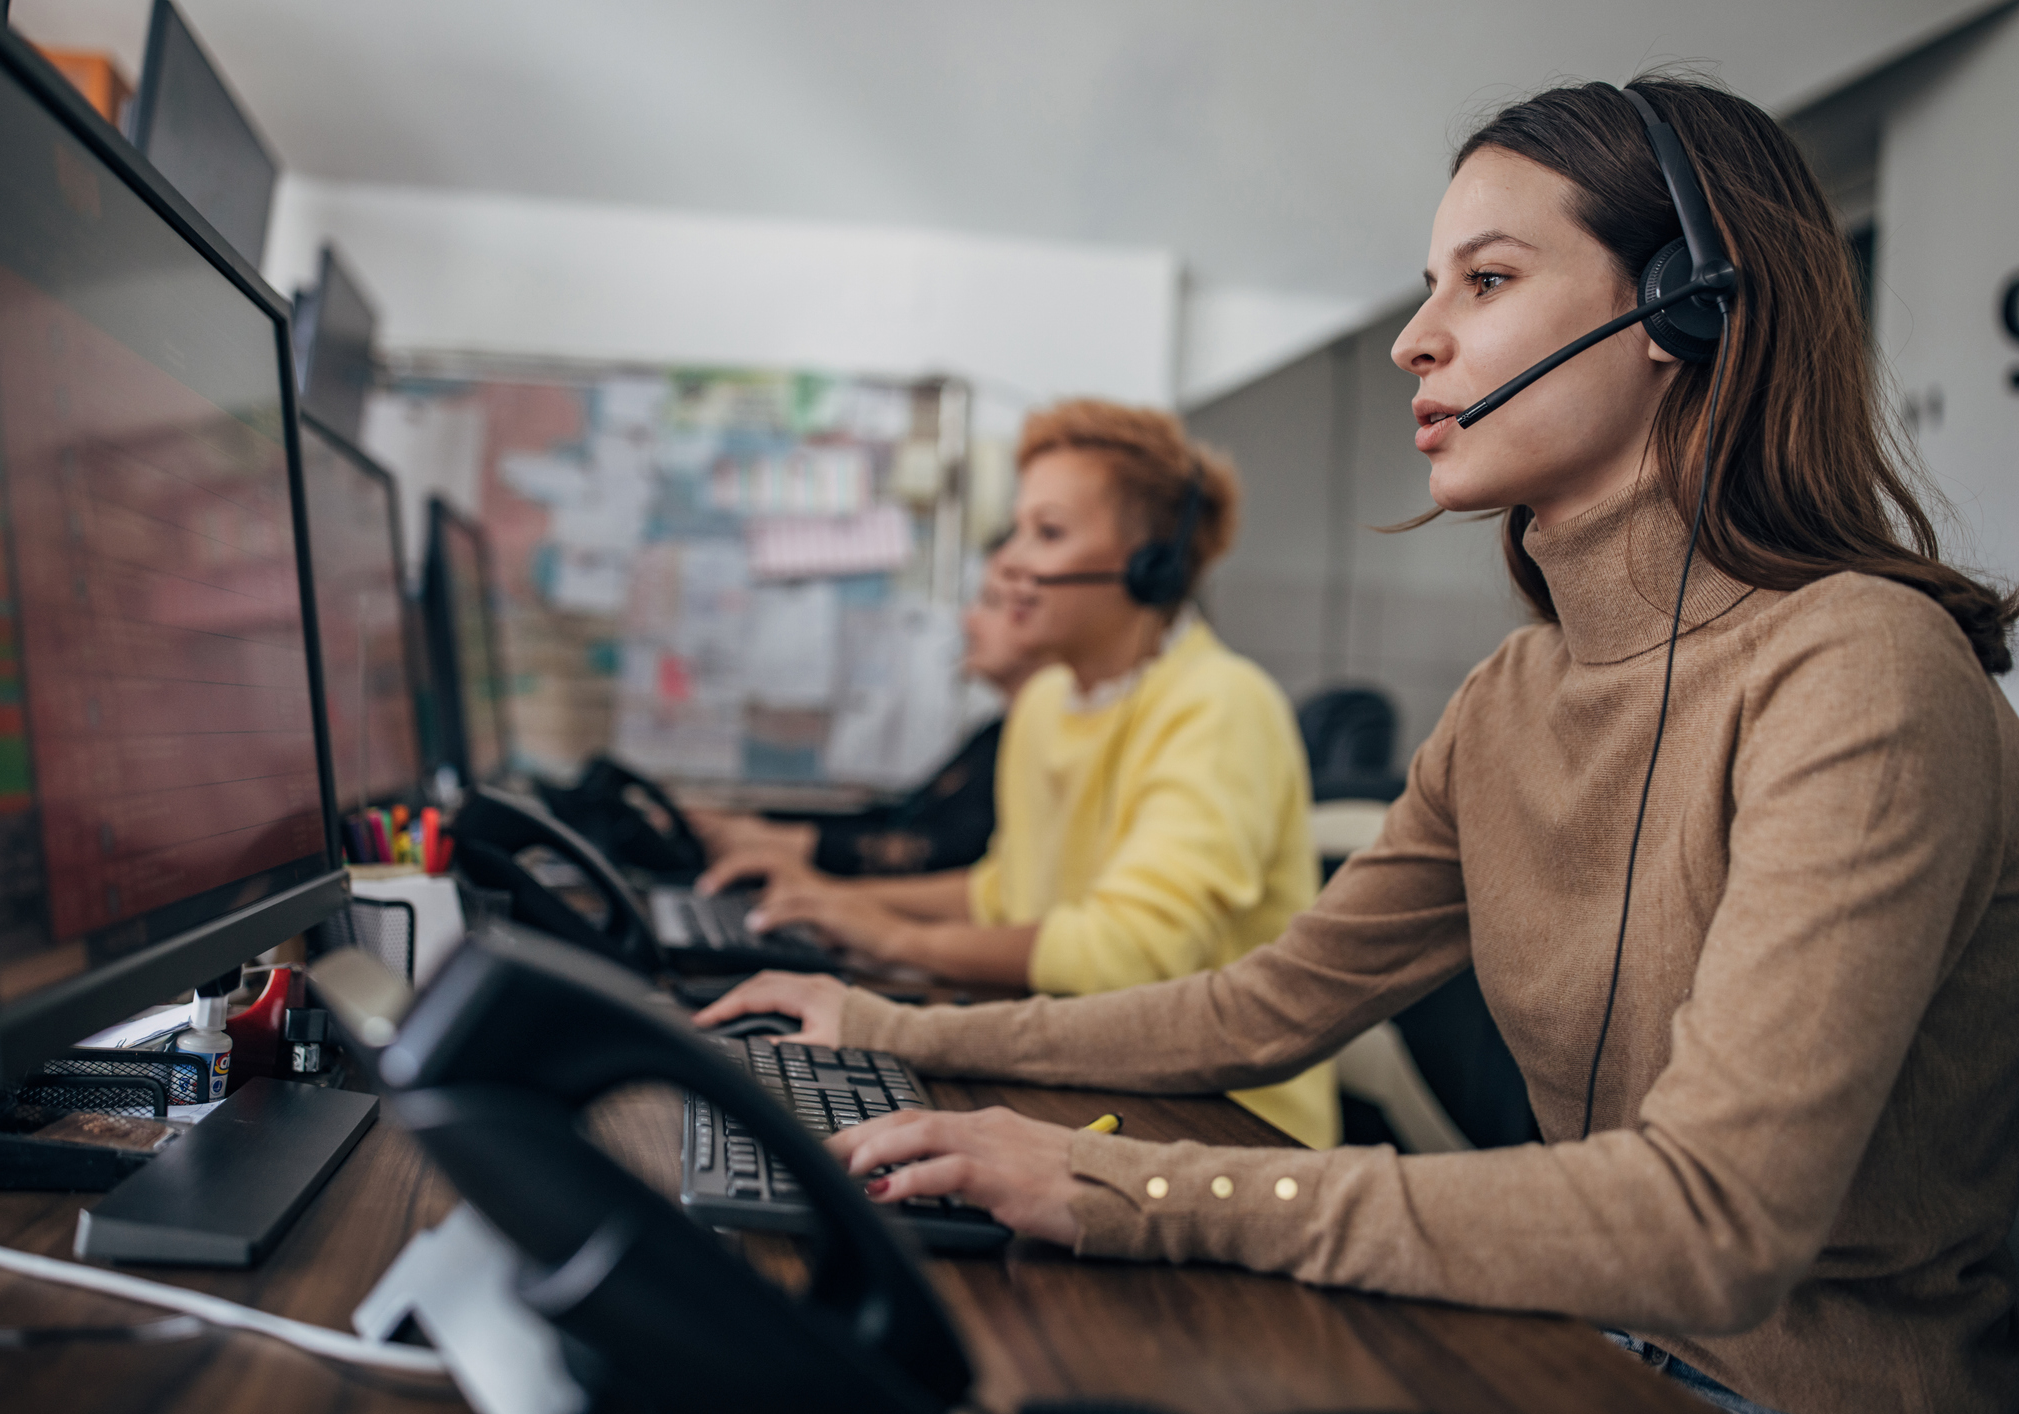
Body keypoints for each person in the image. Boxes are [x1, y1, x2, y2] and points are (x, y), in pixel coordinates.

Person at [698, 74, 2019, 1414]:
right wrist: (886, 1026)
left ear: (1681, 306)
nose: (1415, 340)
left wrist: (1142, 1186)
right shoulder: (1516, 690)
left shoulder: (1866, 669)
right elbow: (1267, 1005)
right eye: (1427, 284)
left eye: (1486, 280)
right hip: (1567, 1344)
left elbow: (1714, 1218)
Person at [705, 399, 1340, 1150]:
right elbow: (1005, 892)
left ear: (1149, 566)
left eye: (1048, 532)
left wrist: (897, 941)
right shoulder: (1044, 701)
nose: (1007, 562)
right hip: (1084, 1065)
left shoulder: (1221, 707)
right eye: (1016, 529)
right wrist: (843, 902)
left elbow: (1127, 955)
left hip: (1219, 1124)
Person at [687, 541, 1050, 878]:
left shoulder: (1038, 746)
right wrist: (755, 825)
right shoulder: (995, 734)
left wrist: (783, 846)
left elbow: (942, 855)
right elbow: (899, 819)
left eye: (990, 603)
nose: (966, 620)